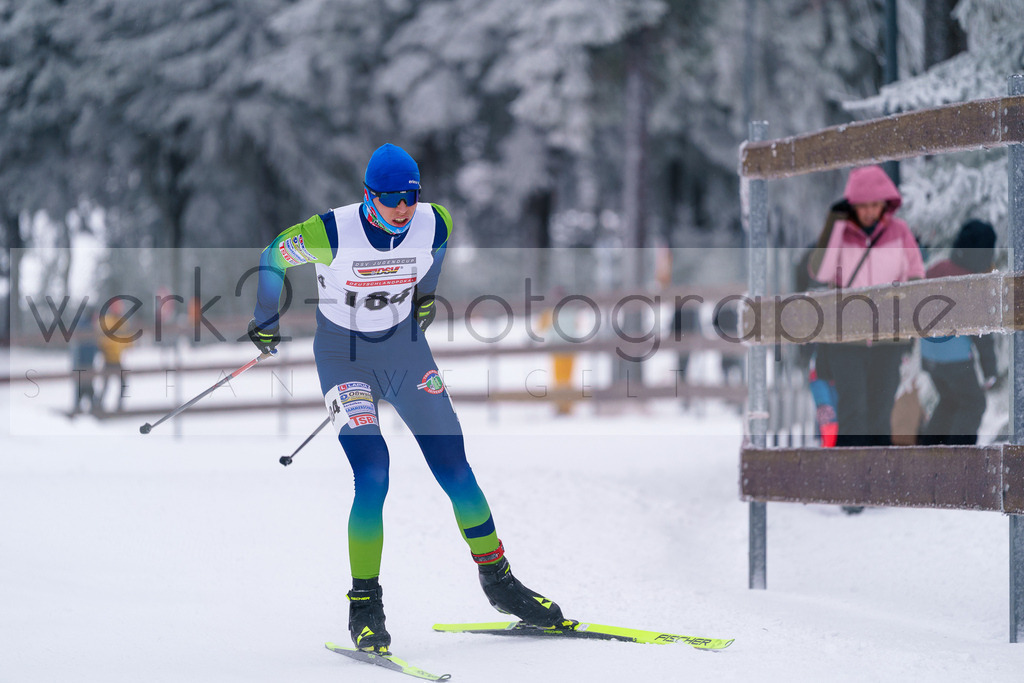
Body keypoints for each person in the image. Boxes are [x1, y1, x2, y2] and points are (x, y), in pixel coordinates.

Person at [248, 143, 565, 653]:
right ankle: (364, 606)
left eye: (411, 197)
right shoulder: (329, 231)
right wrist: (265, 320)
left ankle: (500, 582)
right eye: (392, 198)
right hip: (342, 356)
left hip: (405, 354)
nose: (403, 209)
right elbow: (271, 258)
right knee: (373, 471)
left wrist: (423, 298)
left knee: (454, 466)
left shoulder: (434, 222)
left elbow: (434, 256)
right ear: (369, 195)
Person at [808, 165, 925, 448]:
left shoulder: (899, 232)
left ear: (886, 204)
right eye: (863, 205)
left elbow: (916, 274)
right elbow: (820, 272)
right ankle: (849, 485)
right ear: (853, 205)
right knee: (853, 413)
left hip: (888, 339)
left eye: (876, 204)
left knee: (881, 414)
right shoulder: (841, 233)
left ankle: (876, 486)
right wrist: (834, 225)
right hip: (846, 339)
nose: (870, 211)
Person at [919, 219, 999, 445]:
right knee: (974, 403)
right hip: (954, 358)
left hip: (929, 356)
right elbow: (981, 333)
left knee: (951, 400)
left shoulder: (938, 268)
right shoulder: (970, 283)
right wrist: (989, 370)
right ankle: (959, 459)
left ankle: (929, 453)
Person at [96, 300, 134, 413]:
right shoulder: (107, 320)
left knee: (123, 383)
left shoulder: (123, 322)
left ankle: (119, 405)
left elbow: (127, 339)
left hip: (117, 359)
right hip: (108, 359)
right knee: (106, 384)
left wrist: (128, 344)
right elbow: (102, 339)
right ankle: (99, 405)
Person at [70, 305, 99, 415]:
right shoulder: (85, 325)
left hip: (88, 361)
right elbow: (83, 344)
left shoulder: (90, 325)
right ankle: (91, 407)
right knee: (84, 384)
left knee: (86, 384)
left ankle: (85, 407)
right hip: (82, 361)